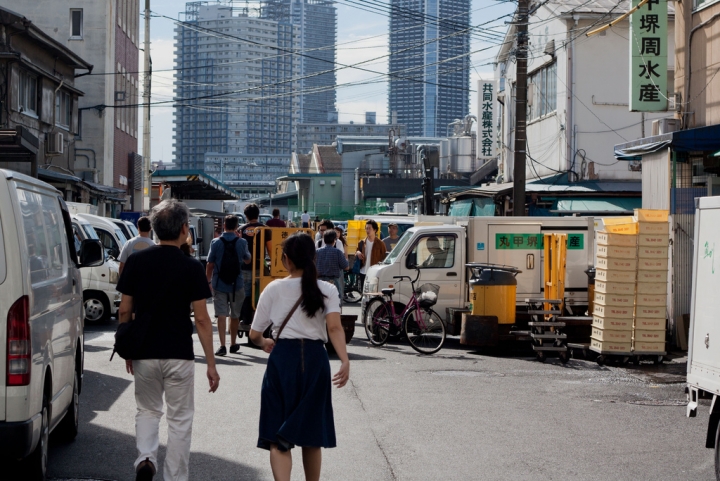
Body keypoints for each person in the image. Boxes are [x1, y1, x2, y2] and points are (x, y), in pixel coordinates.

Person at [116, 199, 220, 481]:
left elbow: (125, 309)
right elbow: (201, 320)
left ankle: (146, 457)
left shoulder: (136, 261)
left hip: (144, 351)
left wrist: (128, 348)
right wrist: (211, 364)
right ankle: (175, 477)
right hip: (179, 353)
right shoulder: (191, 267)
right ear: (185, 229)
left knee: (147, 410)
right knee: (180, 420)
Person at [249, 233, 349, 481]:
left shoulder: (273, 288)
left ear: (286, 260)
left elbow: (254, 334)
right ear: (313, 258)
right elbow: (335, 328)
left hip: (283, 359)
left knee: (276, 433)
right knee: (312, 433)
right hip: (316, 360)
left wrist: (264, 342)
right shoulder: (327, 289)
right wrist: (345, 361)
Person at [206, 215, 251, 356]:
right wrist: (240, 239)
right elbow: (248, 260)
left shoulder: (216, 242)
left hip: (219, 284)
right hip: (237, 284)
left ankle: (222, 346)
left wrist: (208, 281)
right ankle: (233, 344)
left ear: (224, 226)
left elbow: (210, 264)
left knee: (221, 315)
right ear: (237, 226)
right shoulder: (242, 242)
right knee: (235, 315)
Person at [238, 203, 272, 332]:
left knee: (246, 293)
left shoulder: (241, 229)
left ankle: (245, 319)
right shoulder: (265, 229)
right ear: (258, 215)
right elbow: (270, 248)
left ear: (246, 216)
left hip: (245, 267)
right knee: (262, 293)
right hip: (260, 266)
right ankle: (261, 320)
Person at [316, 230, 348, 300]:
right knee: (335, 303)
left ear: (324, 239)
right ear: (334, 240)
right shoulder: (338, 252)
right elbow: (346, 267)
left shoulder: (317, 252)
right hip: (333, 282)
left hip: (319, 281)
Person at [355, 219, 387, 289]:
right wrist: (358, 253)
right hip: (363, 271)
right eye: (366, 228)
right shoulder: (362, 242)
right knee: (363, 291)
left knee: (373, 291)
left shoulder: (380, 243)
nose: (368, 230)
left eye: (369, 228)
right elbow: (357, 251)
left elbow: (384, 257)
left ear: (375, 230)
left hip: (374, 272)